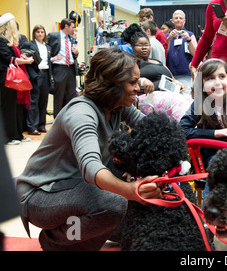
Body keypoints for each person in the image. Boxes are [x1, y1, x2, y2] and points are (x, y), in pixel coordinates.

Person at [16, 48, 162, 251]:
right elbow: (91, 167)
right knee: (113, 205)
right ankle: (55, 241)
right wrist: (130, 191)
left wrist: (192, 136)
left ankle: (100, 227)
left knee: (126, 165)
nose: (139, 88)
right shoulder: (81, 112)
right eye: (132, 82)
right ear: (111, 84)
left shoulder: (117, 105)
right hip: (41, 195)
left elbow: (152, 130)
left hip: (75, 187)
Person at [0, 13, 34, 145]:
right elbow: (9, 59)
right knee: (8, 106)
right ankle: (9, 136)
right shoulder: (2, 40)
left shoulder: (7, 41)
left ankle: (16, 134)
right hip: (5, 77)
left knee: (15, 106)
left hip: (8, 77)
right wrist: (26, 61)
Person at [21, 25, 53, 135]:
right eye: (38, 32)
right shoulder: (29, 45)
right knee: (34, 101)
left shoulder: (48, 47)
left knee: (43, 101)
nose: (40, 34)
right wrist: (33, 75)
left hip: (46, 75)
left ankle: (41, 125)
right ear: (34, 33)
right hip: (36, 75)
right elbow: (25, 59)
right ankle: (32, 127)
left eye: (42, 32)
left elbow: (48, 62)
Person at [47, 18, 79, 119]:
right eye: (73, 27)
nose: (74, 29)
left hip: (71, 68)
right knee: (59, 95)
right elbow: (45, 51)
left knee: (71, 94)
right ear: (66, 26)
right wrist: (52, 59)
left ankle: (69, 118)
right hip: (60, 68)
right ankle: (57, 119)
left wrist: (76, 54)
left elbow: (71, 54)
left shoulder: (71, 38)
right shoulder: (53, 36)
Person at [166, 9, 197, 91]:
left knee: (185, 96)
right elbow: (165, 53)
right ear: (172, 20)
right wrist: (169, 38)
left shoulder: (190, 34)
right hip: (170, 74)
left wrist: (188, 39)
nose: (178, 20)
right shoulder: (167, 36)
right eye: (176, 18)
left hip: (186, 74)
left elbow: (195, 54)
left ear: (184, 20)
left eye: (180, 18)